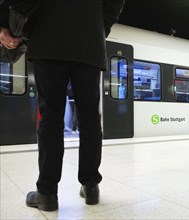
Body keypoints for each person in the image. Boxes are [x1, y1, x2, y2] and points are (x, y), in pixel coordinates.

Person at [0, 0, 125, 211]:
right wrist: (97, 27)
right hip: (89, 42)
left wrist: (6, 22)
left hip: (47, 38)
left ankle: (47, 193)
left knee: (50, 116)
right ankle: (91, 184)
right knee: (90, 117)